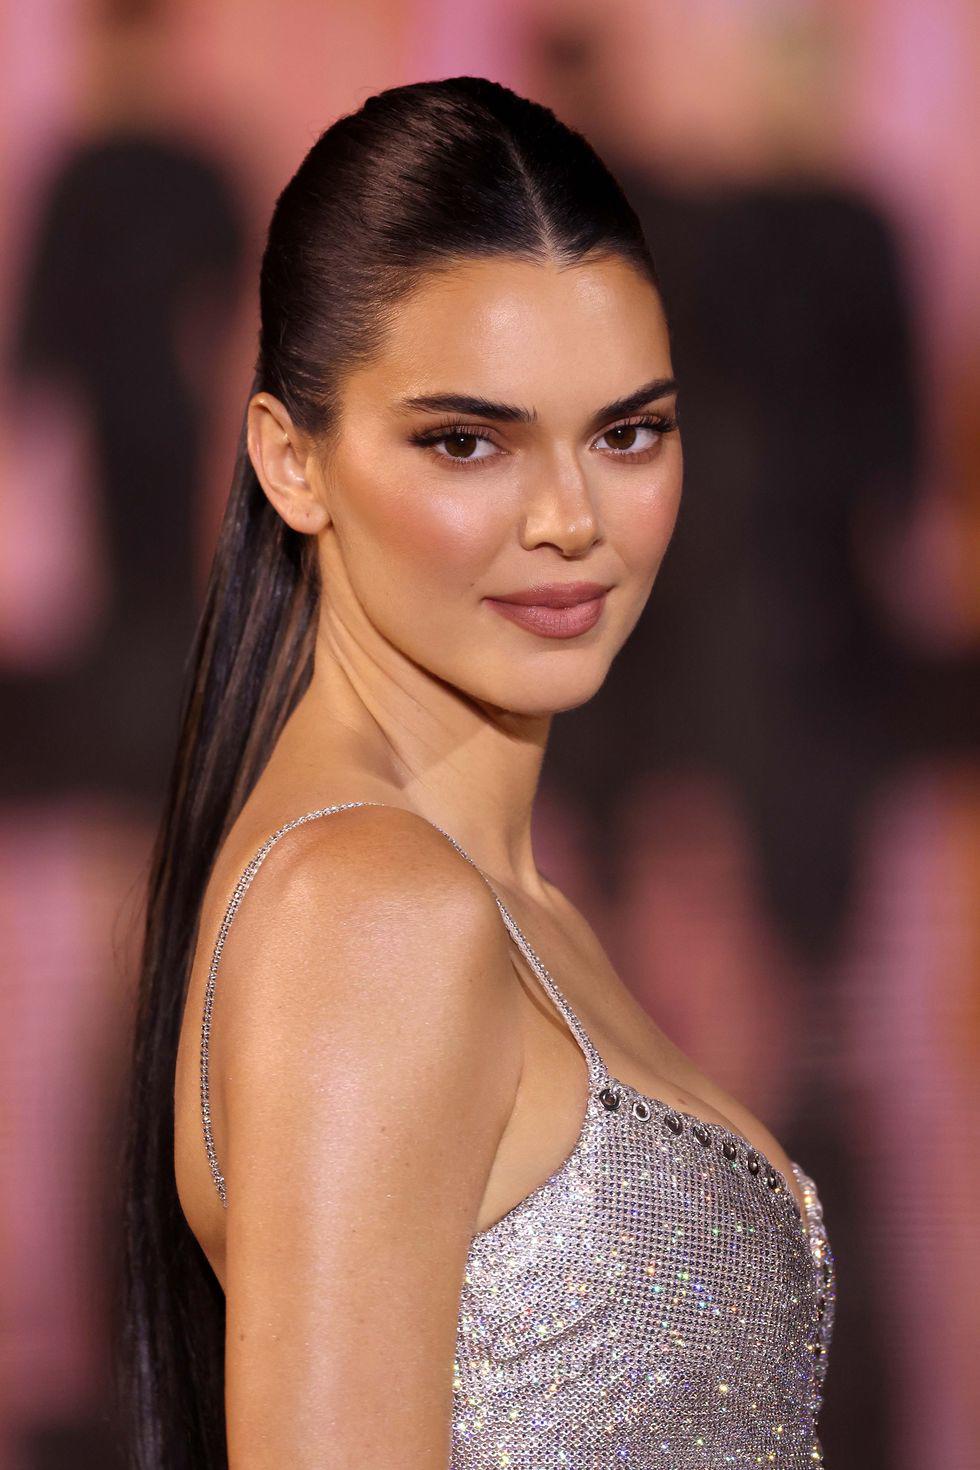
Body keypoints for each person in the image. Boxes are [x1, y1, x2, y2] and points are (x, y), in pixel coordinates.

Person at [118, 76, 836, 1469]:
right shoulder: (371, 911)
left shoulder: (478, 897)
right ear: (291, 462)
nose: (570, 518)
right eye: (467, 441)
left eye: (628, 433)